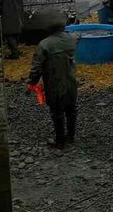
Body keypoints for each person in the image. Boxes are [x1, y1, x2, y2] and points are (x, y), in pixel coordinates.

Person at [28, 17, 78, 150]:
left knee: (57, 112)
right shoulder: (72, 38)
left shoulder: (45, 44)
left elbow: (37, 67)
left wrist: (31, 82)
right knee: (71, 110)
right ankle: (71, 136)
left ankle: (60, 141)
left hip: (54, 82)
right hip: (71, 80)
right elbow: (76, 37)